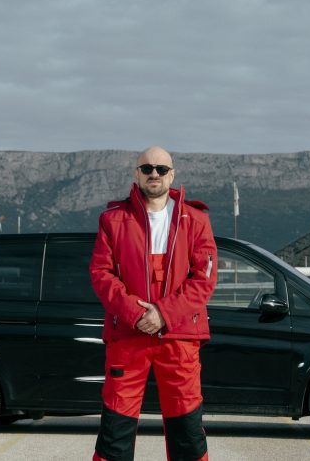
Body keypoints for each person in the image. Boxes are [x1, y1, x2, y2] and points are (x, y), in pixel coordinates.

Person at [90, 146, 217, 461]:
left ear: (172, 174)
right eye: (147, 168)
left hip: (179, 335)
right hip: (128, 334)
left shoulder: (196, 220)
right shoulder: (113, 219)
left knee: (186, 426)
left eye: (161, 169)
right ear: (137, 174)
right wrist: (136, 314)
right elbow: (101, 274)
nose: (154, 174)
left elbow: (204, 279)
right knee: (116, 426)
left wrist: (163, 313)